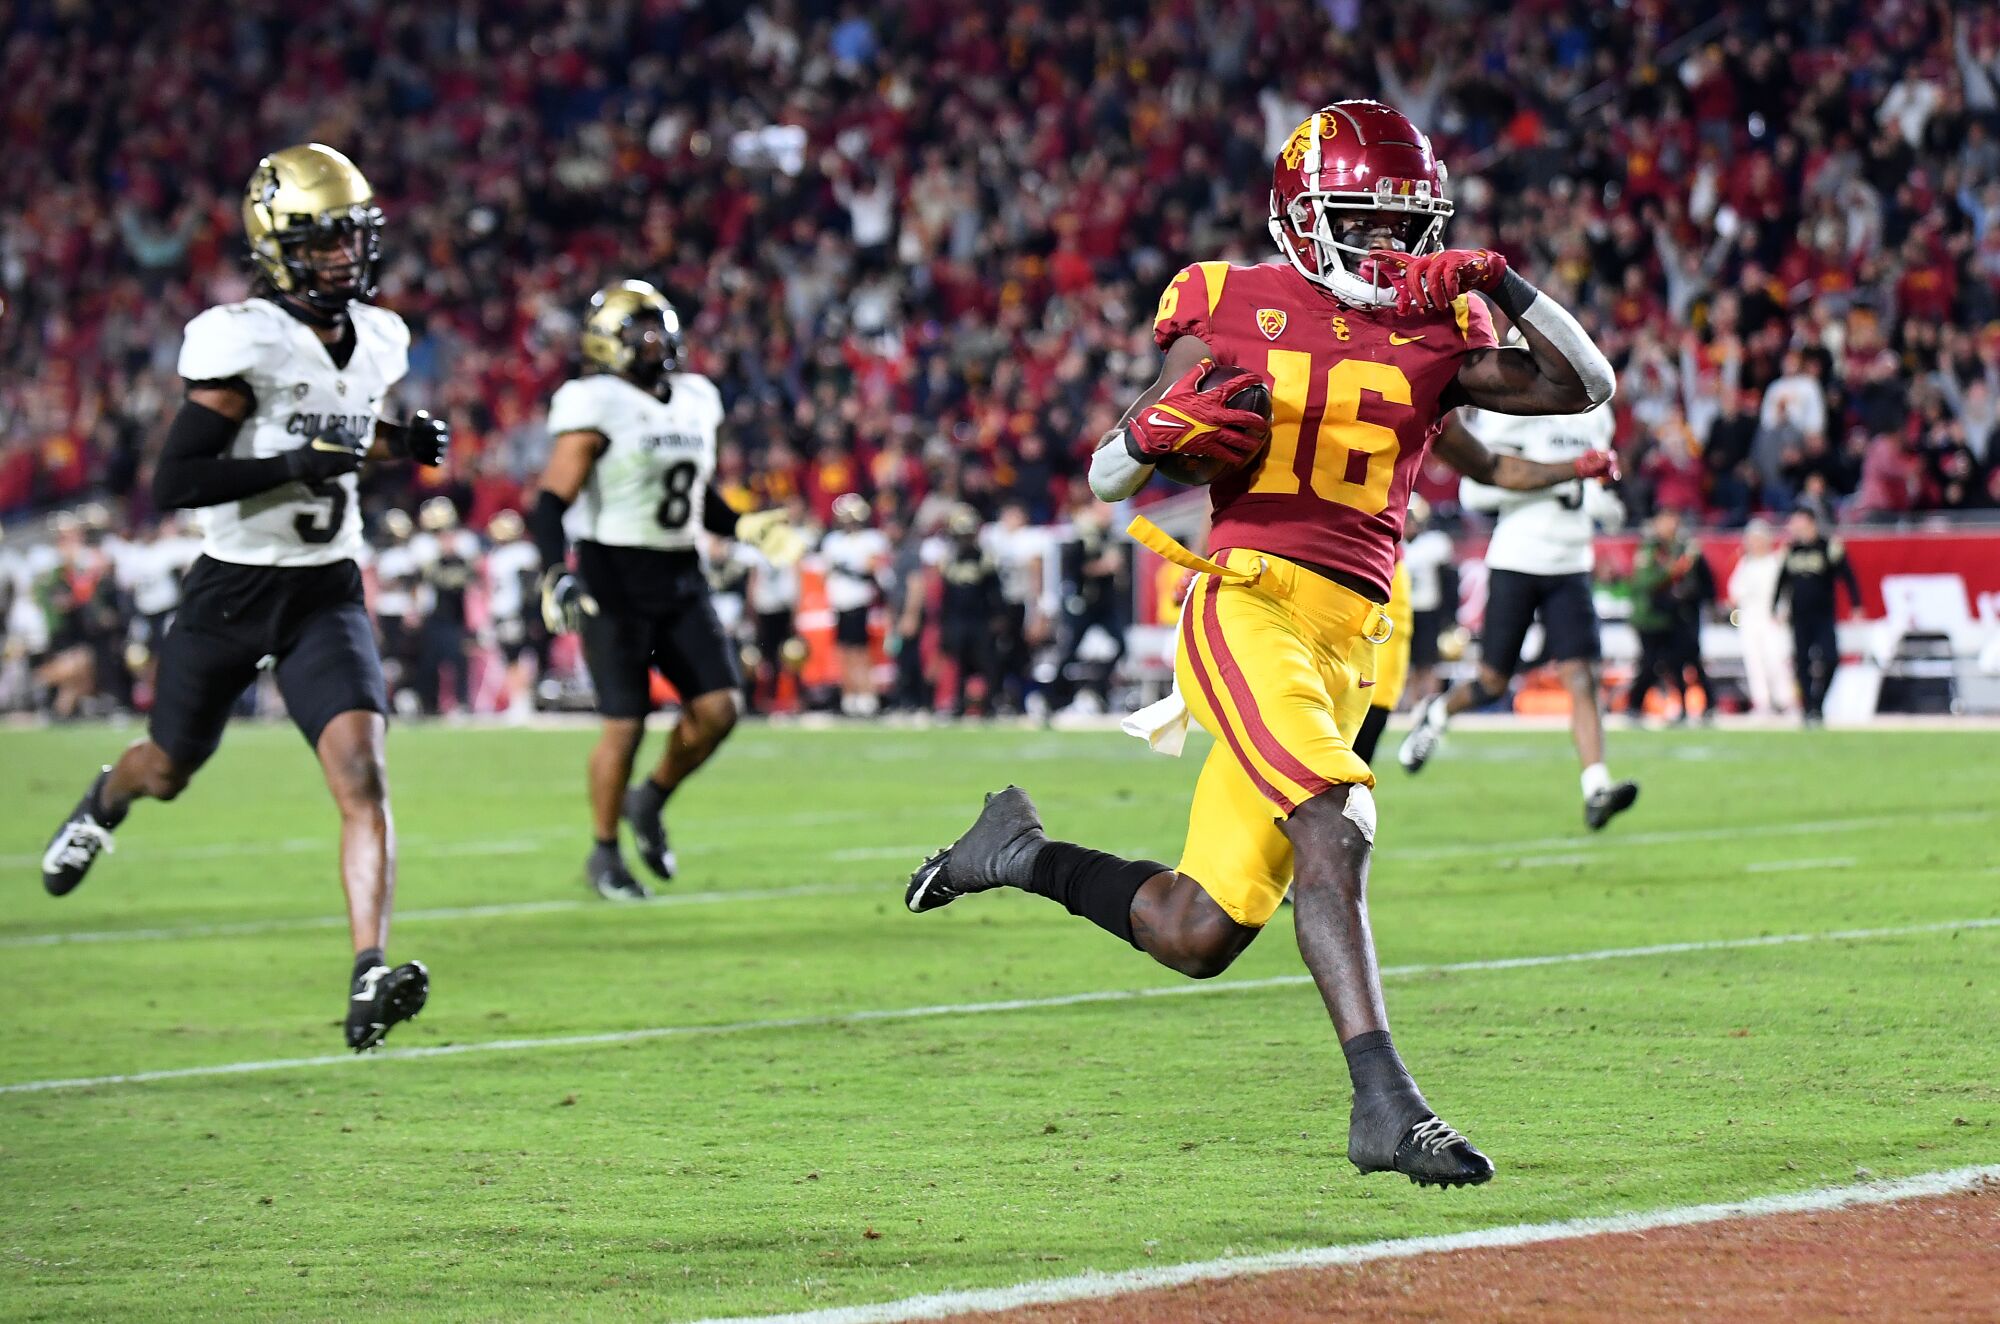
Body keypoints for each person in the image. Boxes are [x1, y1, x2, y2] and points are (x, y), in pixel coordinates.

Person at [904, 100, 1617, 1188]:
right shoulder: (1229, 301)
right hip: (1248, 602)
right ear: (1300, 215)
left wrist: (1496, 278)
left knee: (1194, 931)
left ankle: (1015, 849)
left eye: (1407, 225)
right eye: (1363, 223)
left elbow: (1585, 385)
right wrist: (1150, 436)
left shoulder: (1437, 324)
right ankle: (1386, 1105)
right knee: (1331, 825)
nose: (1391, 248)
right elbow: (1108, 470)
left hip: (1351, 638)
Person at [38, 144, 449, 1051]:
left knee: (363, 776)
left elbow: (343, 433)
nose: (344, 255)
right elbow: (177, 477)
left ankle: (366, 972)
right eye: (324, 239)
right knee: (170, 769)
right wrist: (298, 463)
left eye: (352, 237)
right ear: (278, 244)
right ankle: (107, 797)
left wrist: (397, 444)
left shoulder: (380, 338)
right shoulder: (244, 338)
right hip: (231, 589)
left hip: (325, 589)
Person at [529, 279, 803, 900]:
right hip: (613, 575)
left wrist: (742, 525)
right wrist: (555, 571)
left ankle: (649, 799)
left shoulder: (695, 397)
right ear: (608, 344)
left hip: (680, 571)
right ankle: (604, 853)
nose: (656, 342)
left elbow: (693, 492)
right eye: (639, 332)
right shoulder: (594, 402)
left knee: (720, 710)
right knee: (624, 725)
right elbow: (550, 502)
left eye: (661, 329)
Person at [1397, 402, 1638, 830]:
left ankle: (1595, 787)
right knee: (1492, 682)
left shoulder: (1595, 414)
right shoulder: (1514, 411)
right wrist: (1559, 476)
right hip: (1518, 559)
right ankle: (1436, 713)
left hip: (1571, 562)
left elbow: (1596, 489)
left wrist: (1602, 502)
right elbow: (1477, 490)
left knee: (1582, 675)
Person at [1774, 508, 1861, 725]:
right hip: (1799, 616)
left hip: (1823, 614)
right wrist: (1774, 606)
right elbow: (1782, 581)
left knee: (1830, 658)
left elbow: (1848, 576)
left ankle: (1818, 702)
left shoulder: (1828, 546)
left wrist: (1856, 604)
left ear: (1810, 522)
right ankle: (1808, 707)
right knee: (1801, 662)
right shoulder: (1791, 549)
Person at [1624, 509, 1712, 721]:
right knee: (1651, 663)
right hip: (1650, 616)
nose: (1670, 526)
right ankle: (1634, 703)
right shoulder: (1650, 549)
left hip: (1674, 616)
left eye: (1673, 521)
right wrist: (1670, 572)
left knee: (1678, 662)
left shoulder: (1683, 548)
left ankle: (1687, 705)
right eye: (1665, 521)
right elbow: (1643, 582)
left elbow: (1702, 581)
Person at [820, 492, 889, 716]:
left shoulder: (871, 539)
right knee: (844, 653)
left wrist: (847, 569)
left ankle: (867, 696)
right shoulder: (833, 541)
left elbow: (871, 570)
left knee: (861, 652)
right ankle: (850, 697)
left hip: (860, 602)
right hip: (840, 603)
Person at [1726, 518, 1794, 716]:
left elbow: (1785, 591)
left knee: (1777, 660)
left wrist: (1783, 612)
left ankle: (1785, 700)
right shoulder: (1745, 564)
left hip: (1772, 618)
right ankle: (1762, 702)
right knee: (1754, 662)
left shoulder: (1776, 561)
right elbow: (1735, 592)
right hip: (1750, 619)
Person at [481, 509, 543, 723]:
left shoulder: (522, 553)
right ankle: (518, 700)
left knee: (518, 657)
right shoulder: (499, 554)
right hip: (502, 610)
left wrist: (530, 614)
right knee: (509, 658)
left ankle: (522, 701)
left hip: (515, 611)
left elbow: (530, 588)